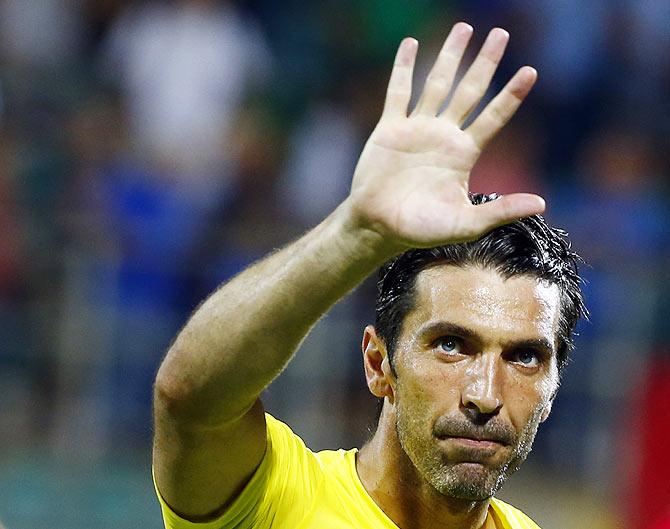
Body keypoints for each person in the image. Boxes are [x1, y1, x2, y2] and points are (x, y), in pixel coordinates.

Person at [152, 22, 587, 529]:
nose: (485, 395)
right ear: (379, 363)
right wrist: (356, 233)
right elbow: (190, 397)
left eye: (525, 356)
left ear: (554, 389)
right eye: (450, 344)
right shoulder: (278, 501)